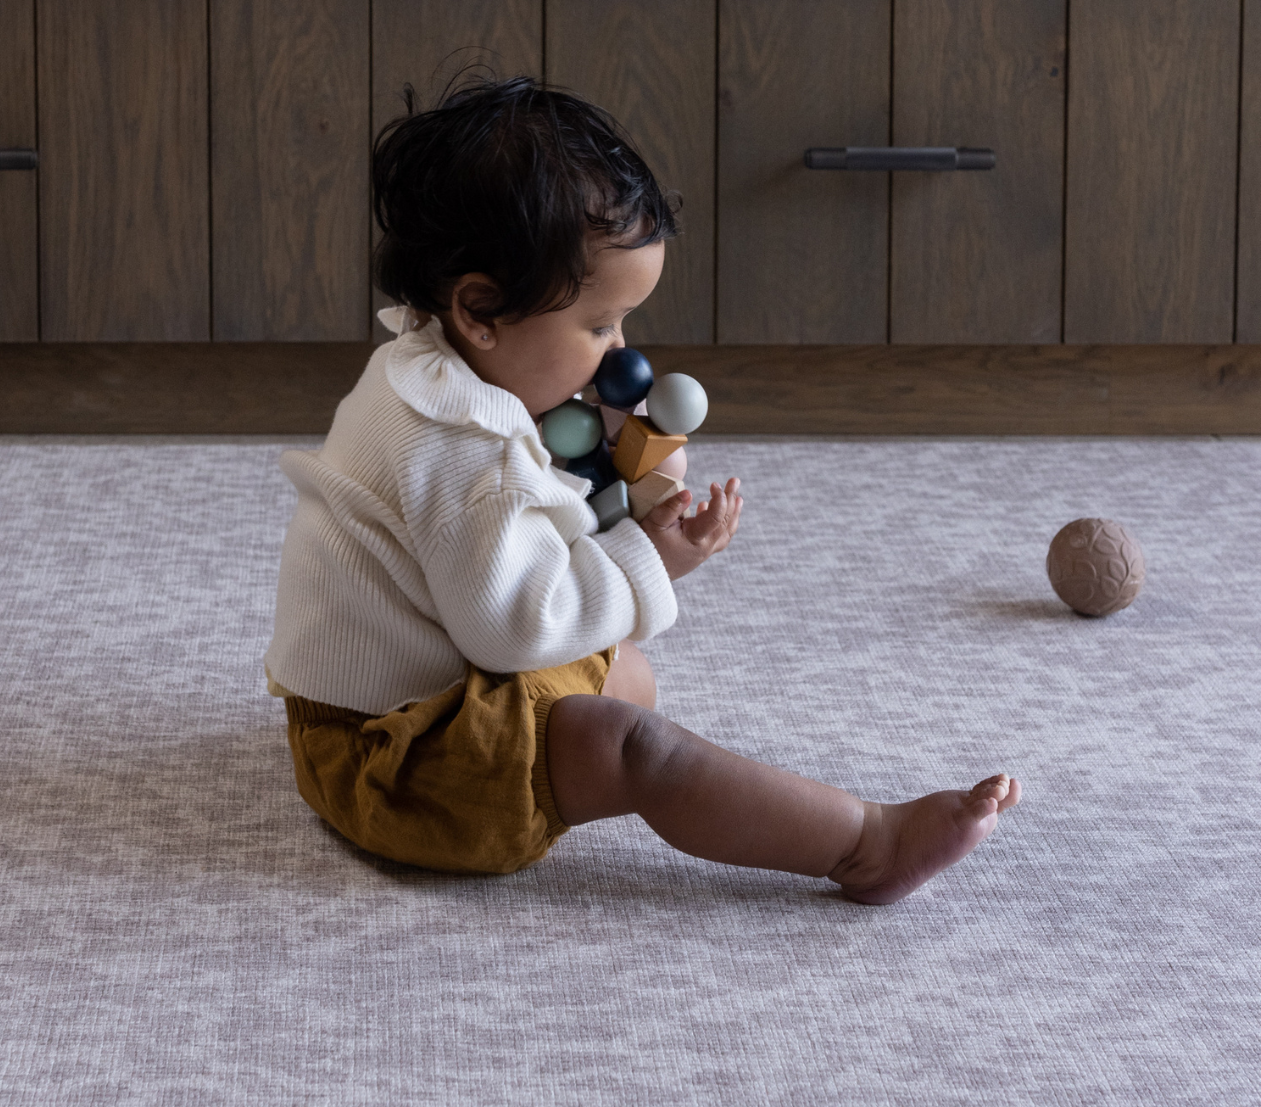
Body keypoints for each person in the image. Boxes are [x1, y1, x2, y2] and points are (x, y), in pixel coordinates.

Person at [264, 77, 1019, 904]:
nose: (619, 351)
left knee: (628, 672)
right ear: (480, 310)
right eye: (598, 327)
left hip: (391, 706)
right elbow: (514, 629)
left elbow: (499, 550)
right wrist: (646, 557)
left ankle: (582, 754)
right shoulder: (464, 450)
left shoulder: (430, 373)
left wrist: (604, 488)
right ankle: (864, 843)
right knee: (634, 744)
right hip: (394, 762)